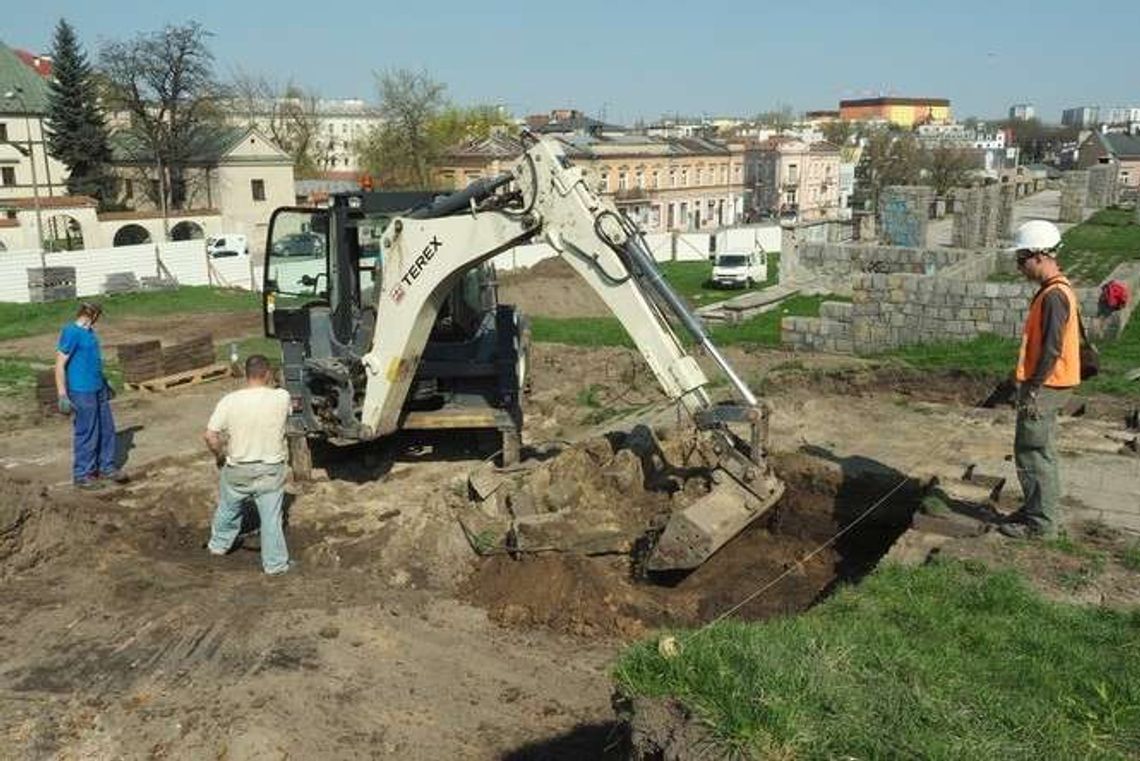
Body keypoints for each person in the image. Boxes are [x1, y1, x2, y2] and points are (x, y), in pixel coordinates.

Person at [1001, 220, 1081, 539]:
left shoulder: (1053, 296)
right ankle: (1040, 509)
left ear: (1039, 256)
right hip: (1051, 382)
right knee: (1041, 450)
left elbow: (1051, 348)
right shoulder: (1055, 290)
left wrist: (1032, 387)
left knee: (1031, 451)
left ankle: (1041, 524)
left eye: (1021, 259)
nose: (1019, 267)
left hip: (1047, 386)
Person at [203, 354, 294, 575]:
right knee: (271, 519)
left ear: (246, 374)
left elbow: (210, 436)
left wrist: (220, 456)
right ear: (268, 374)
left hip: (238, 468)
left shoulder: (230, 401)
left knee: (228, 506)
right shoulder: (281, 397)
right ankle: (275, 565)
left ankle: (218, 545)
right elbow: (288, 405)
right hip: (269, 470)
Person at [55, 301, 126, 489]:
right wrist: (62, 393)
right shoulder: (71, 332)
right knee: (88, 432)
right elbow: (60, 364)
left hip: (98, 388)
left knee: (107, 429)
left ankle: (106, 467)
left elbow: (91, 361)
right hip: (81, 390)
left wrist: (104, 383)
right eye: (97, 317)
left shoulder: (89, 332)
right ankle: (83, 474)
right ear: (92, 315)